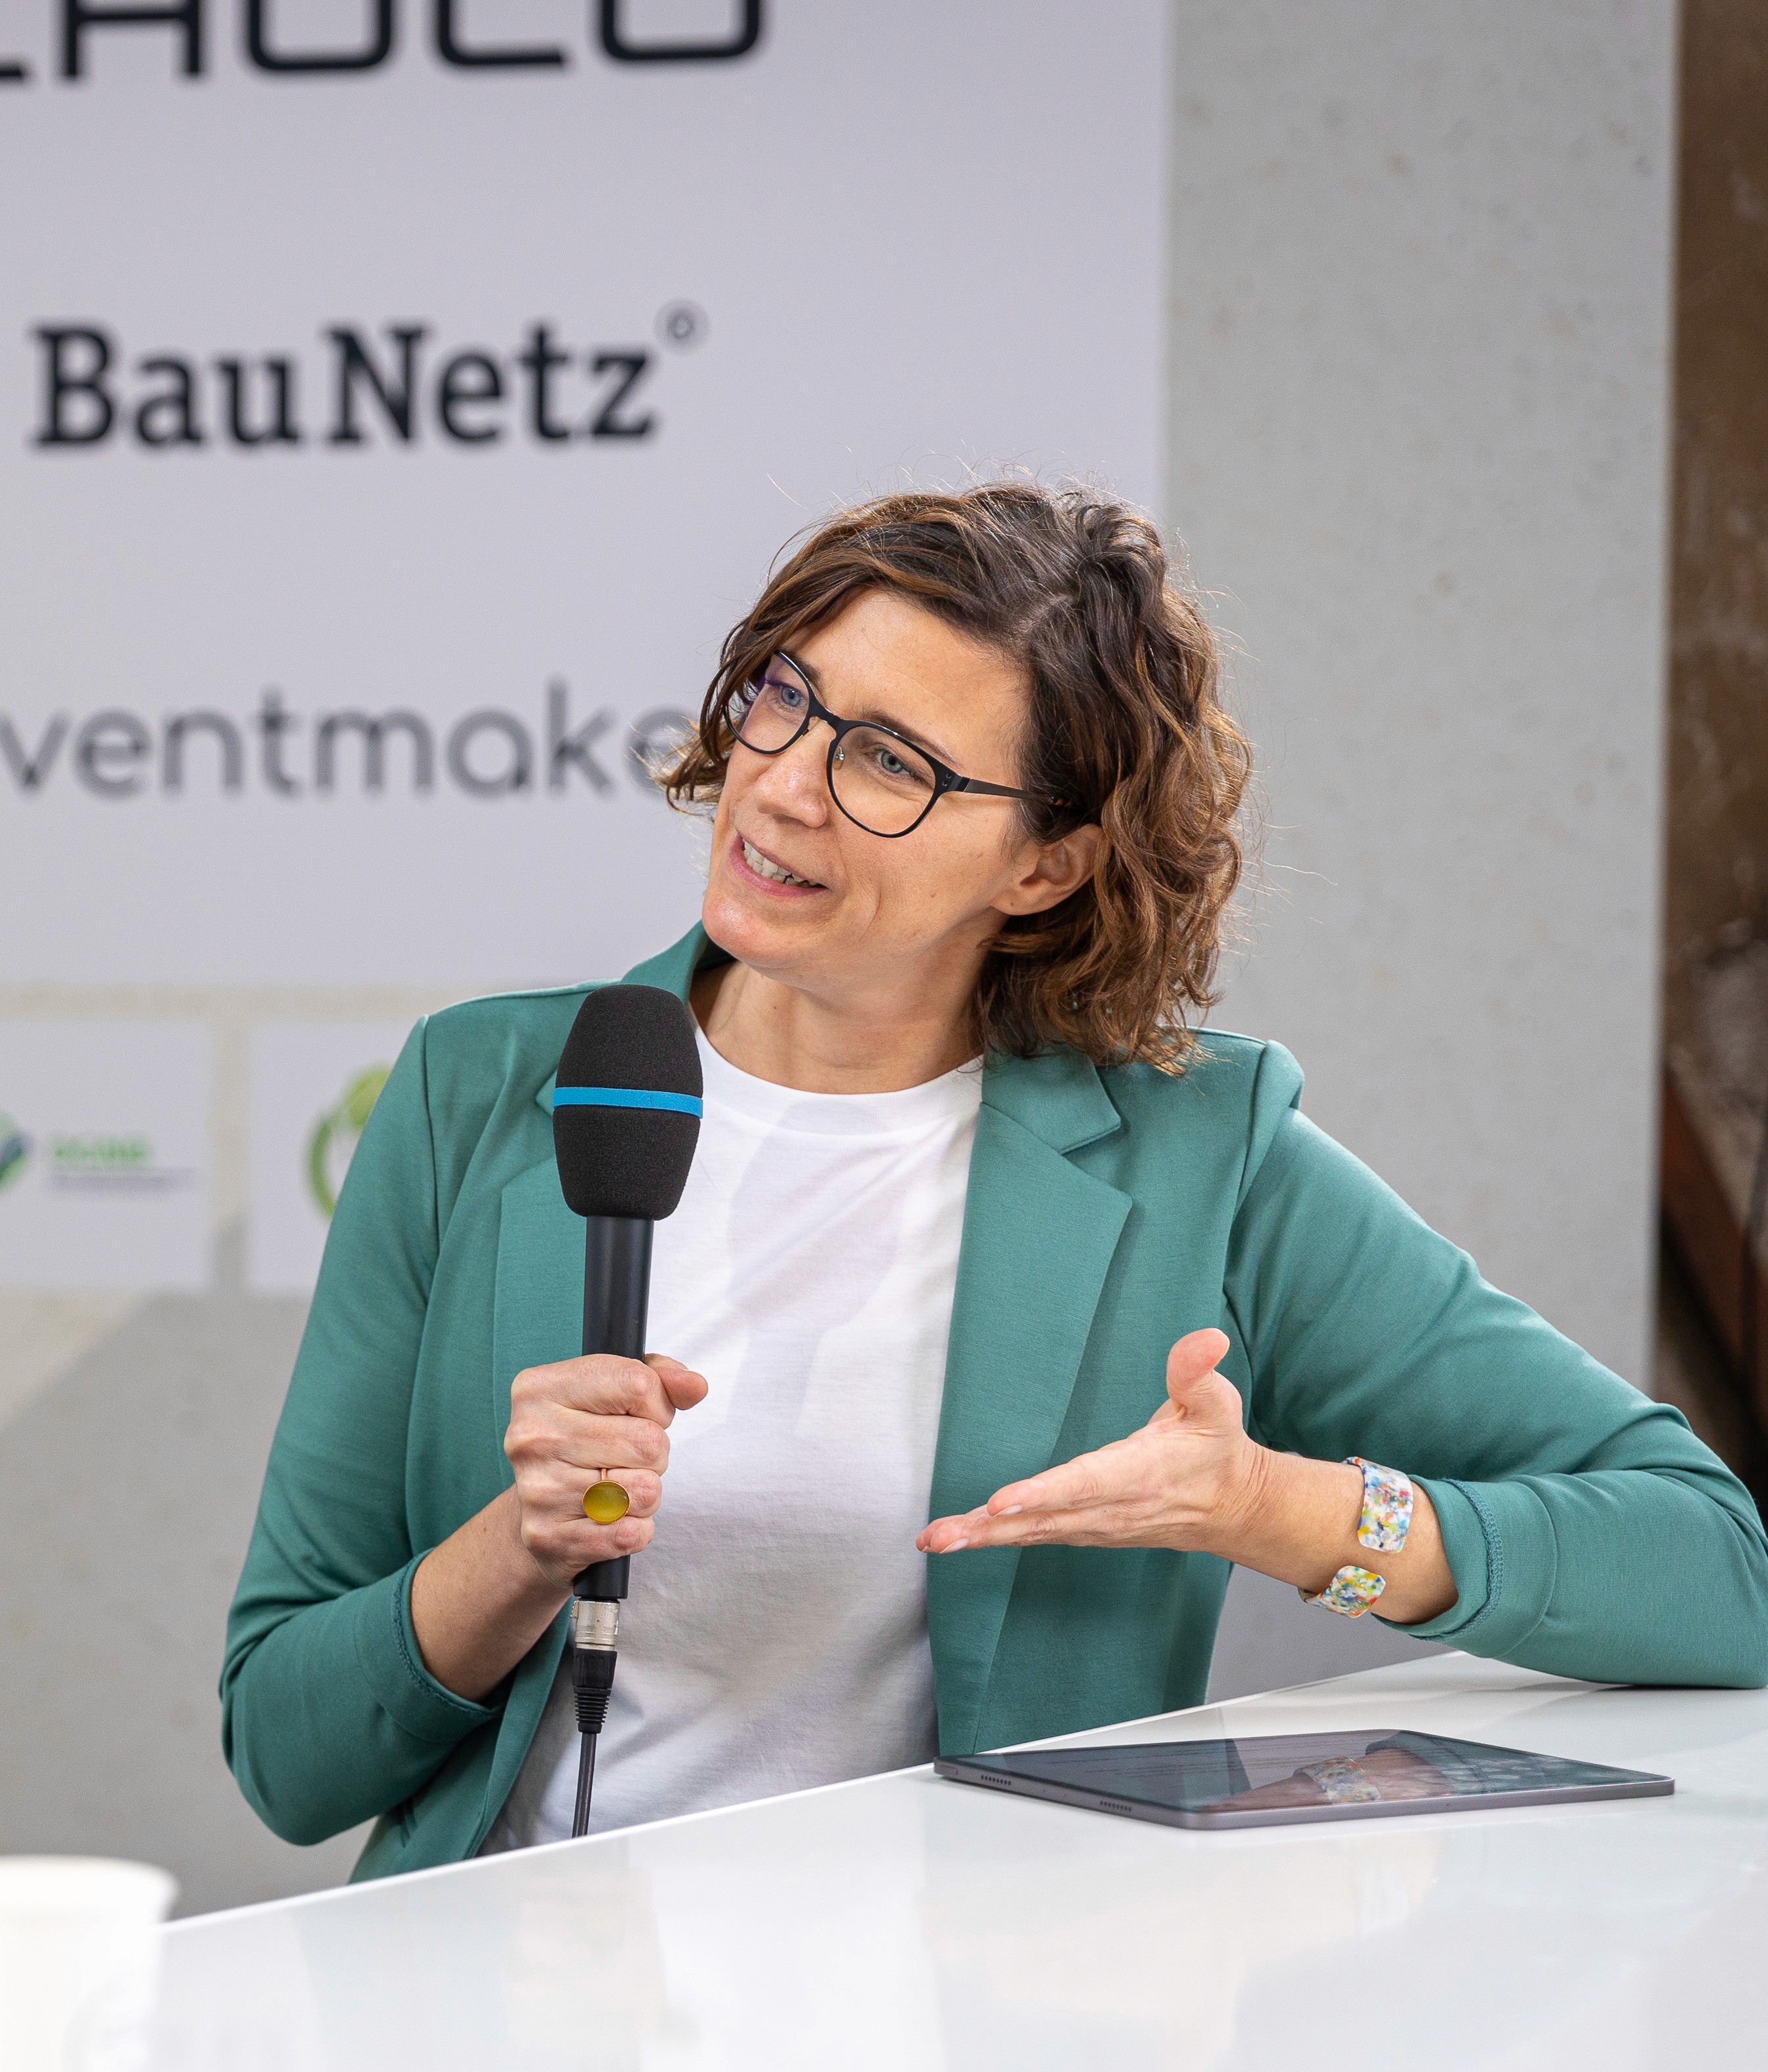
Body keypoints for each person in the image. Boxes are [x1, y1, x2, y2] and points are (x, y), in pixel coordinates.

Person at [222, 481, 1768, 1873]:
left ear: (1047, 864)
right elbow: (287, 1755)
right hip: (525, 2035)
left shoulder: (1194, 1155)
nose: (784, 786)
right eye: (787, 700)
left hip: (983, 2068)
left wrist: (1275, 1511)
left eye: (889, 761)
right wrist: (524, 1541)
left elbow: (1716, 1567)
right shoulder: (481, 1094)